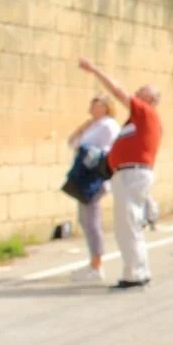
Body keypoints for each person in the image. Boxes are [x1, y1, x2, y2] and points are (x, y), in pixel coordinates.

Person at [79, 57, 162, 290]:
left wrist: (95, 70)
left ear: (150, 100)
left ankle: (134, 274)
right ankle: (138, 270)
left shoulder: (145, 112)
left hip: (131, 175)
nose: (135, 93)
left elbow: (117, 91)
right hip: (127, 175)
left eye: (141, 91)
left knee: (127, 225)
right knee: (129, 224)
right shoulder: (137, 121)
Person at [65, 94, 120, 283]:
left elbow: (108, 149)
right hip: (85, 175)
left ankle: (97, 265)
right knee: (85, 219)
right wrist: (82, 128)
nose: (93, 108)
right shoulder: (94, 125)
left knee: (91, 220)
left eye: (98, 105)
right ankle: (94, 262)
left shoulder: (108, 125)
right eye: (93, 104)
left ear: (106, 107)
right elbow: (72, 143)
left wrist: (89, 149)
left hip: (95, 177)